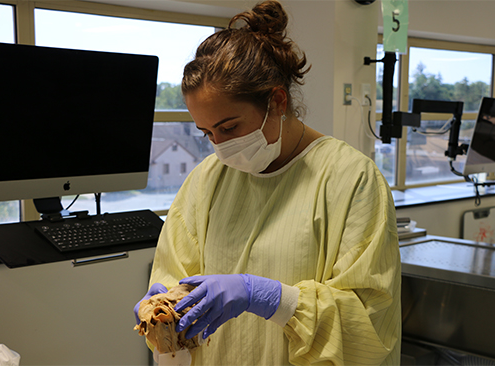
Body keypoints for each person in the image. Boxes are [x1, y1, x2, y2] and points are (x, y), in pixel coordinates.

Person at [134, 1, 401, 364]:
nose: (220, 145)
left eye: (229, 127)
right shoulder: (207, 180)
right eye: (207, 133)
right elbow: (175, 274)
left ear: (277, 100)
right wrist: (162, 306)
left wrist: (274, 299)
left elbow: (368, 325)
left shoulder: (350, 179)